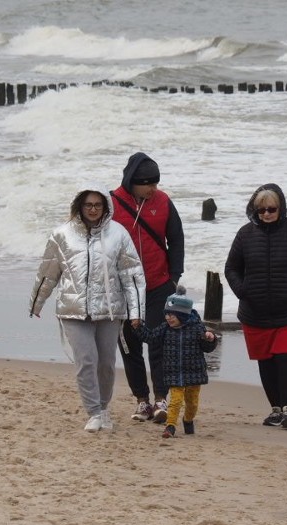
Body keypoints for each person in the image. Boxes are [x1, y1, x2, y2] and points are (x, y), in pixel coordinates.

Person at [30, 188, 145, 433]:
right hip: (73, 310)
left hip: (110, 310)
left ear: (105, 207)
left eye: (97, 205)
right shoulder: (61, 234)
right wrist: (37, 303)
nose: (93, 209)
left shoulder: (118, 234)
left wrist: (136, 312)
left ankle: (104, 409)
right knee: (86, 361)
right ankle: (93, 412)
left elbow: (132, 275)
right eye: (88, 205)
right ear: (79, 207)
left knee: (105, 363)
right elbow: (48, 273)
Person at [224, 183, 287, 430]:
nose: (266, 214)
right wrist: (242, 291)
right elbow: (231, 268)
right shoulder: (245, 234)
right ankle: (275, 410)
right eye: (261, 210)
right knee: (266, 362)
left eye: (271, 209)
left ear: (281, 208)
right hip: (254, 312)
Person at [110, 152, 185, 425]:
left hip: (158, 285)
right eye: (148, 184)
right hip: (123, 290)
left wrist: (174, 276)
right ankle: (142, 400)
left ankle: (161, 399)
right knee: (130, 346)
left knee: (159, 342)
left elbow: (176, 238)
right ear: (132, 181)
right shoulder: (111, 203)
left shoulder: (163, 201)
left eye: (156, 182)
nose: (153, 188)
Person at [131, 286, 217, 438]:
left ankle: (188, 420)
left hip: (194, 374)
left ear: (182, 315)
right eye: (167, 314)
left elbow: (207, 348)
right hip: (174, 374)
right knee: (175, 401)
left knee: (192, 404)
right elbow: (151, 338)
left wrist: (210, 339)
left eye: (173, 315)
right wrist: (139, 327)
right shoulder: (165, 328)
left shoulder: (197, 328)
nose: (168, 318)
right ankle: (170, 427)